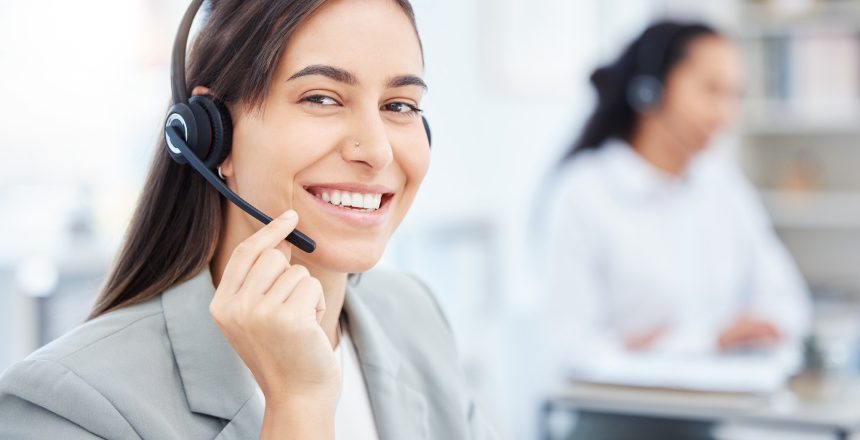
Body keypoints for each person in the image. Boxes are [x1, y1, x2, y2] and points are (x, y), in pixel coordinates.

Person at [0, 1, 494, 439]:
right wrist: (297, 404)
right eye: (321, 98)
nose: (378, 150)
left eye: (399, 105)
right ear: (211, 134)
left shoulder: (413, 316)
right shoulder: (69, 405)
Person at [543, 21, 811, 439]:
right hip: (613, 425)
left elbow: (788, 305)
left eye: (734, 96)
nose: (725, 114)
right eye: (711, 90)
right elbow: (573, 353)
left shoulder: (722, 186)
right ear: (650, 90)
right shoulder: (584, 193)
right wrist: (708, 340)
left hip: (712, 419)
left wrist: (659, 344)